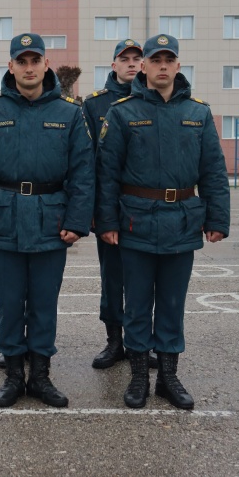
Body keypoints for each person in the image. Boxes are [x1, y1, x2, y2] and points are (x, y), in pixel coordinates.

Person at [96, 34, 230, 409]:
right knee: (136, 303)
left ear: (178, 65)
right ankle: (139, 376)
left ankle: (168, 376)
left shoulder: (199, 113)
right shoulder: (122, 112)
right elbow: (107, 174)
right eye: (156, 60)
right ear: (146, 66)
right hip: (136, 222)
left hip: (183, 221)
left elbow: (213, 171)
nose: (163, 66)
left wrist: (217, 217)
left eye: (169, 60)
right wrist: (106, 221)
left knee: (172, 303)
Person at [0, 33, 95, 408]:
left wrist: (77, 221)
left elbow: (84, 173)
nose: (28, 68)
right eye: (21, 61)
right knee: (9, 303)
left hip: (51, 220)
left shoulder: (69, 113)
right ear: (10, 67)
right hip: (3, 219)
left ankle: (40, 376)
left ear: (45, 64)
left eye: (35, 60)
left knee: (43, 303)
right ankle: (14, 377)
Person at [82, 39, 157, 371]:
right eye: (123, 59)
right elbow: (88, 163)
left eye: (136, 59)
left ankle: (142, 342)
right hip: (111, 209)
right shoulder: (95, 106)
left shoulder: (156, 100)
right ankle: (114, 342)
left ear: (144, 65)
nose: (130, 64)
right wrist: (96, 213)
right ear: (112, 65)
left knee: (146, 280)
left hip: (148, 209)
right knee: (112, 279)